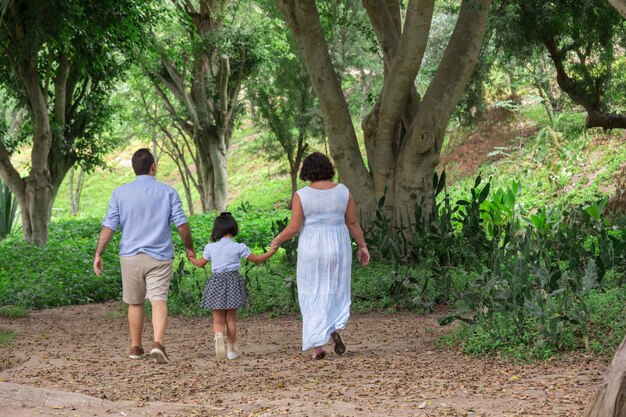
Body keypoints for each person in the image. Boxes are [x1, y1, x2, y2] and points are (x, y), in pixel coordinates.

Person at [93, 148, 195, 364]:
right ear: (153, 167)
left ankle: (136, 347)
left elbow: (109, 226)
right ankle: (158, 344)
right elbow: (182, 225)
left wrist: (99, 253)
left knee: (135, 303)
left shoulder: (119, 194)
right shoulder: (168, 192)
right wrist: (189, 247)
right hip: (159, 257)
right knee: (158, 300)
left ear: (134, 169)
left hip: (130, 257)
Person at [271, 152, 370, 360]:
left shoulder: (302, 195)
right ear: (328, 168)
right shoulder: (343, 191)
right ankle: (332, 327)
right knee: (332, 288)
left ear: (306, 171)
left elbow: (294, 227)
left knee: (311, 291)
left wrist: (277, 240)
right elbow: (352, 223)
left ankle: (317, 346)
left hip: (312, 248)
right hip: (338, 246)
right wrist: (362, 246)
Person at [187, 212, 276, 360]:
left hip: (216, 282)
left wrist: (190, 257)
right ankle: (230, 351)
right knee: (231, 319)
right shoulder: (239, 247)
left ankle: (218, 336)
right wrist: (272, 251)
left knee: (218, 319)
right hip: (234, 282)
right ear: (233, 228)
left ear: (217, 230)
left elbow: (200, 263)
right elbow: (258, 259)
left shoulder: (210, 247)